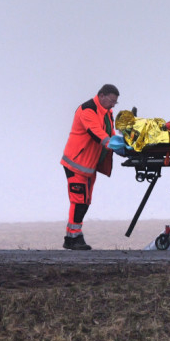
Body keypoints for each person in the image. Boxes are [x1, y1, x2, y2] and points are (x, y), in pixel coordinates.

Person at [60, 84, 121, 249]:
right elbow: (97, 133)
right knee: (78, 200)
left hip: (89, 165)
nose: (113, 104)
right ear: (101, 96)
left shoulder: (107, 112)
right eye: (112, 101)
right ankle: (72, 238)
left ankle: (75, 235)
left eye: (115, 102)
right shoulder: (88, 110)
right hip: (77, 163)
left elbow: (110, 132)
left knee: (85, 201)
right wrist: (115, 144)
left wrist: (120, 142)